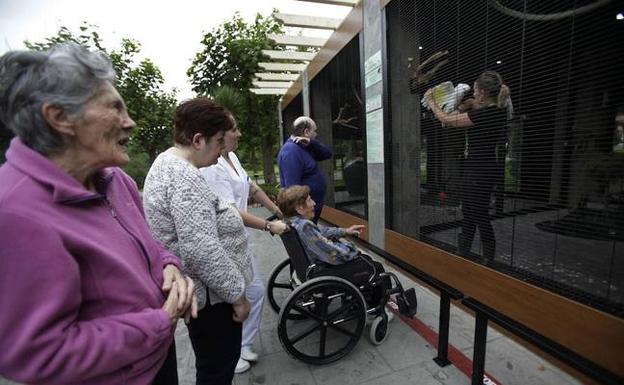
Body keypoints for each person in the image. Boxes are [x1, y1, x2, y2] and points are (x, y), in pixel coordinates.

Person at [0, 43, 196, 385]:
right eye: (115, 108)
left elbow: (150, 247)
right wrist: (160, 321)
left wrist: (170, 266)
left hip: (156, 359)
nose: (130, 122)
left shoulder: (115, 180)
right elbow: (38, 354)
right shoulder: (15, 212)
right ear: (60, 117)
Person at [142, 97, 252, 385]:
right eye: (219, 142)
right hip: (214, 302)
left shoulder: (166, 162)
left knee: (212, 365)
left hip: (203, 296)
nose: (222, 151)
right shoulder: (183, 176)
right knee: (217, 368)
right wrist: (238, 297)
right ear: (199, 139)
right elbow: (201, 251)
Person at [200, 121, 288, 373]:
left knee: (254, 292)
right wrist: (268, 226)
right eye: (234, 129)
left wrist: (277, 210)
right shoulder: (212, 167)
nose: (239, 133)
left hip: (240, 240)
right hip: (224, 242)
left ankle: (241, 344)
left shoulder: (232, 157)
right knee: (239, 295)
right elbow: (228, 211)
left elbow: (252, 187)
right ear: (219, 133)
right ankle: (232, 350)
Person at [424, 70, 509, 263]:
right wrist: (466, 103)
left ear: (483, 92)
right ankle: (463, 252)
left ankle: (488, 257)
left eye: (476, 90)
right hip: (478, 167)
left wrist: (431, 101)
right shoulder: (496, 109)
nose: (474, 93)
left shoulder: (487, 114)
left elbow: (447, 120)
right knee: (469, 212)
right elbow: (470, 105)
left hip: (480, 170)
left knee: (478, 213)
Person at [277, 185, 390, 307]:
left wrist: (345, 231)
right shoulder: (305, 227)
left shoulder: (292, 222)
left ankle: (354, 297)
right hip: (322, 271)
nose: (314, 203)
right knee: (373, 266)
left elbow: (320, 234)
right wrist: (352, 250)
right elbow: (333, 254)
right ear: (299, 208)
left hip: (308, 268)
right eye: (309, 200)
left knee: (363, 261)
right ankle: (377, 307)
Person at [278, 116, 332, 223]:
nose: (316, 134)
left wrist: (312, 143)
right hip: (304, 213)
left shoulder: (304, 146)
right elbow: (292, 188)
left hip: (311, 208)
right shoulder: (291, 151)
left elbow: (328, 154)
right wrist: (302, 213)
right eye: (314, 131)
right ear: (306, 131)